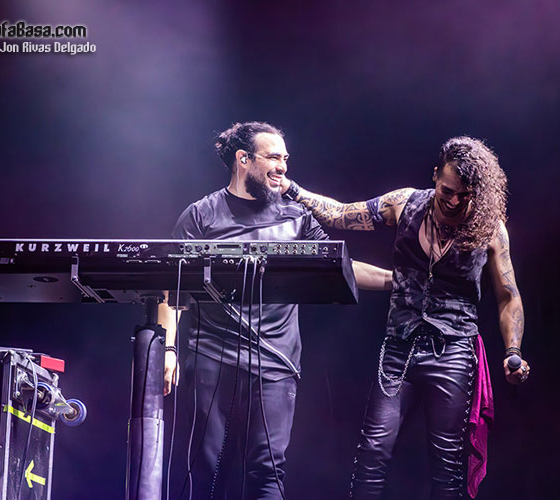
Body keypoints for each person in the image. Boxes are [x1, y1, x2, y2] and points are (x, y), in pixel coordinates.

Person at [280, 136, 530, 499]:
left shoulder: (490, 228)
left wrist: (513, 350)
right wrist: (292, 189)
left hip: (453, 351)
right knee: (372, 453)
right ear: (435, 176)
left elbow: (509, 296)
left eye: (464, 195)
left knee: (448, 467)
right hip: (399, 347)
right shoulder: (405, 203)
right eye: (447, 190)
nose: (454, 201)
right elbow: (339, 214)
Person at [158, 122, 391, 499]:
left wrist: (398, 280)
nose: (282, 166)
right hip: (211, 356)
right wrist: (168, 349)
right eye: (273, 157)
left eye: (285, 158)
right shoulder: (202, 215)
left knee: (268, 471)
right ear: (243, 159)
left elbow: (341, 266)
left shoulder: (296, 216)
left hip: (276, 363)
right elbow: (171, 287)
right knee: (204, 467)